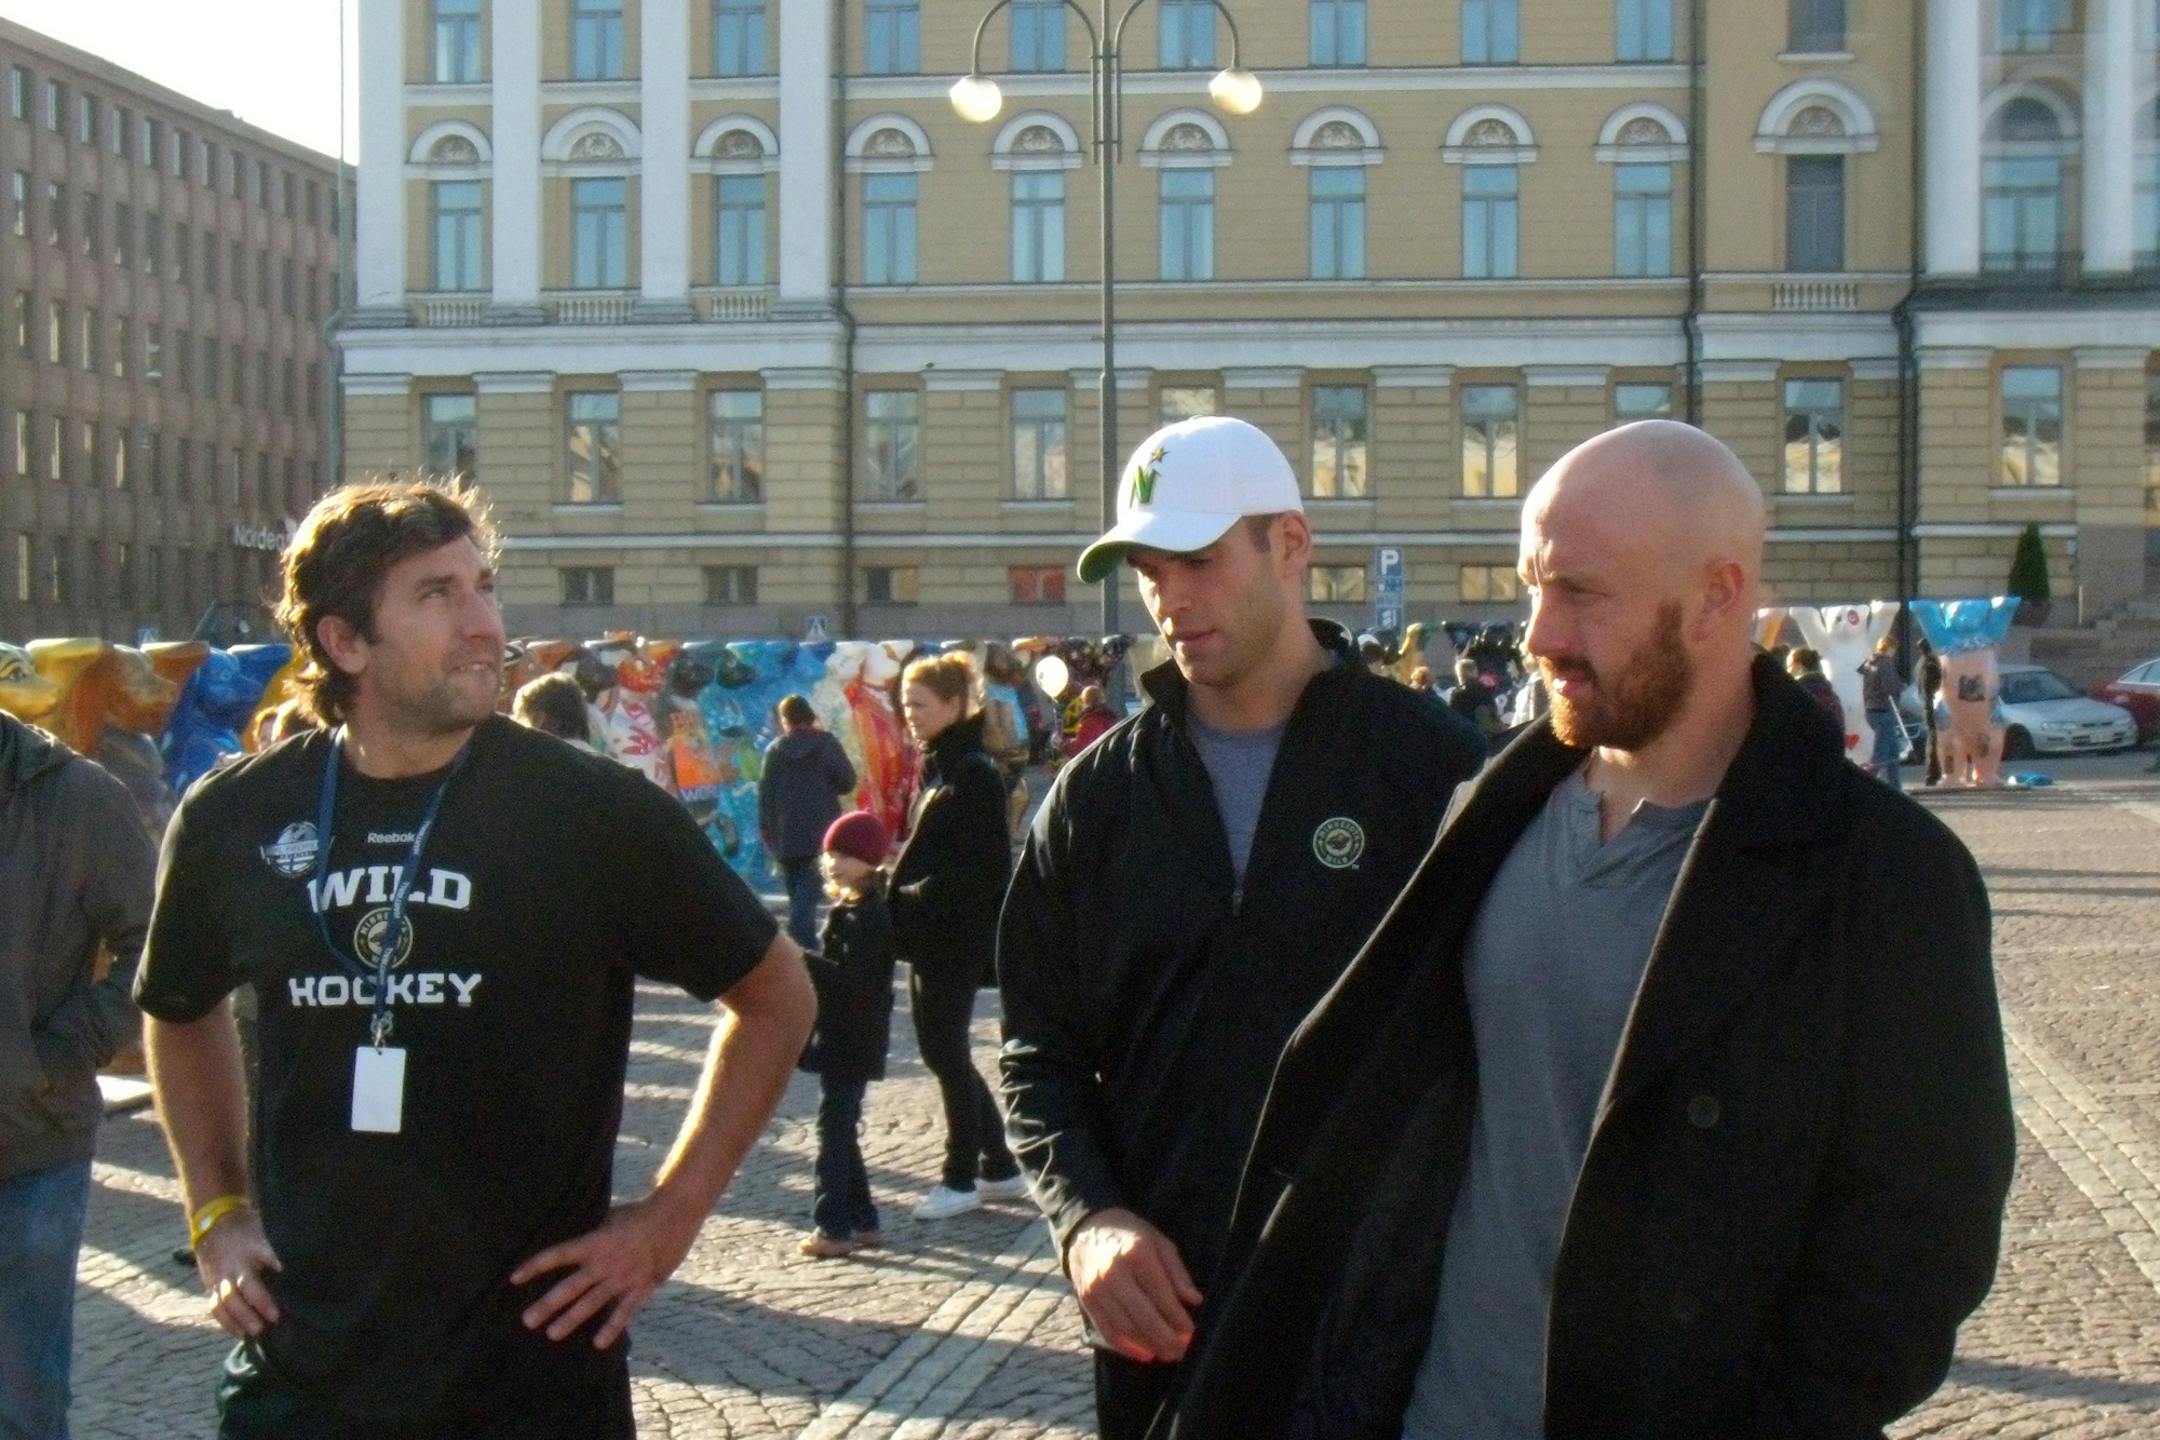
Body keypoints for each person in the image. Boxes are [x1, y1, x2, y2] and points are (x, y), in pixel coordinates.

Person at [1163, 421, 2015, 1439]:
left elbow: (1920, 1251)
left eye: (1580, 592)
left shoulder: (1885, 880)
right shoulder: (1489, 808)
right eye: (1533, 586)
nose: (1537, 633)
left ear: (1717, 595)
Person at [134, 480, 816, 1440]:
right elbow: (176, 1004)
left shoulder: (589, 813)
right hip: (303, 1372)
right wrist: (215, 1210)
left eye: (483, 586)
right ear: (345, 643)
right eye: (436, 595)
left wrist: (670, 1219)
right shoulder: (233, 818)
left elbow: (777, 992)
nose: (484, 624)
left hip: (527, 1378)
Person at [998, 415, 1487, 1440]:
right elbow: (1035, 1050)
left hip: (1385, 1344)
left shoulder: (1435, 771)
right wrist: (1087, 1220)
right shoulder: (1095, 800)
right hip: (1167, 1338)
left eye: (1200, 560)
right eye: (1148, 570)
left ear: (1291, 546)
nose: (1171, 598)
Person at [0, 709, 156, 1440]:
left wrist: (54, 1057)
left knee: (24, 1406)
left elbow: (153, 946)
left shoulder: (77, 795)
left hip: (31, 1145)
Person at [889, 652, 1027, 1221]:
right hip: (930, 932)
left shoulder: (971, 770)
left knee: (944, 1049)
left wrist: (914, 893)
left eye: (919, 705)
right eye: (904, 705)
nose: (910, 716)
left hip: (955, 934)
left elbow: (986, 868)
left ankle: (959, 1175)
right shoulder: (938, 763)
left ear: (953, 704)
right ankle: (998, 1165)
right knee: (942, 1049)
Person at [795, 810, 897, 1259]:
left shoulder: (870, 916)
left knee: (832, 1130)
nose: (835, 862)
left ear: (870, 862)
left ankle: (831, 1225)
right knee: (840, 1126)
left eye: (847, 855)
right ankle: (862, 1219)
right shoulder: (850, 910)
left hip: (853, 1038)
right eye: (831, 853)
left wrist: (802, 962)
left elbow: (852, 983)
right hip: (843, 1036)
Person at [758, 694, 858, 952]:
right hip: (821, 829)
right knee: (809, 889)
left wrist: (767, 828)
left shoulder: (774, 750)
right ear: (810, 715)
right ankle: (800, 941)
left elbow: (765, 794)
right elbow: (847, 781)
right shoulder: (826, 744)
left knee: (797, 890)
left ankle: (799, 942)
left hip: (785, 831)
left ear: (785, 721)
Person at [1860, 635, 1907, 790]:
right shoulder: (1886, 663)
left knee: (1892, 753)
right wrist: (1901, 686)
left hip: (1871, 709)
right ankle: (1866, 786)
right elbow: (1889, 686)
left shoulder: (1869, 662)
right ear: (1890, 648)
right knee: (1880, 756)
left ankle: (1895, 788)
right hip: (1884, 710)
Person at [510, 672, 597, 752]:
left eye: (523, 721)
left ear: (539, 718)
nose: (521, 730)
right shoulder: (603, 763)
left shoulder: (540, 761)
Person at [1785, 645, 1846, 733]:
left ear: (1799, 665)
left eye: (1789, 666)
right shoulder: (1829, 692)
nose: (1787, 671)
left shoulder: (1797, 693)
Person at [1444, 657, 1502, 737]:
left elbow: (1453, 721)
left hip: (1471, 739)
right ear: (1476, 672)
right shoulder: (1485, 690)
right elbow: (1494, 714)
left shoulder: (1456, 696)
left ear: (1459, 675)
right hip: (1494, 736)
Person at [1917, 638, 1945, 786]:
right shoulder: (1930, 666)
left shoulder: (1921, 664)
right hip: (1932, 707)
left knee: (1933, 739)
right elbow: (1930, 689)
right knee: (1934, 740)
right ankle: (1933, 774)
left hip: (1928, 706)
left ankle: (1934, 773)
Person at [1063, 685, 1119, 759]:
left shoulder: (1090, 721)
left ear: (1086, 702)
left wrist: (1064, 746)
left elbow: (1080, 748)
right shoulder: (1112, 718)